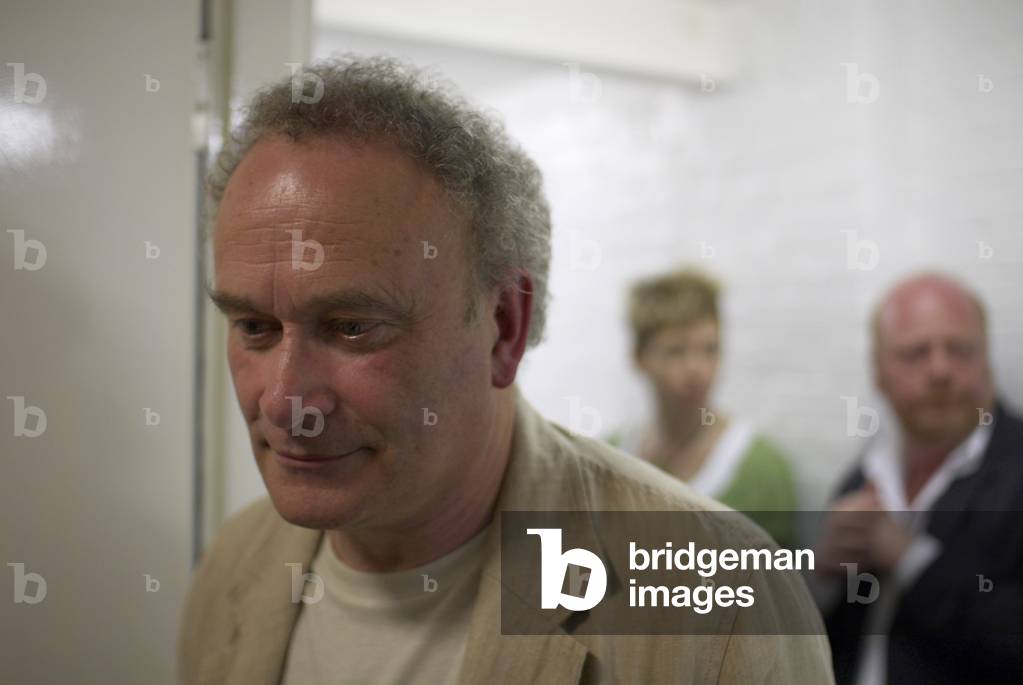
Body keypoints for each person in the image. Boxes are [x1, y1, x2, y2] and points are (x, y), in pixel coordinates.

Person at [178, 55, 833, 684]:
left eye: (351, 326)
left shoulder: (718, 605)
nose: (286, 400)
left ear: (503, 327)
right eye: (254, 327)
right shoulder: (234, 570)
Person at [815, 272, 1023, 684]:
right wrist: (819, 577)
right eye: (915, 353)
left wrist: (909, 558)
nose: (941, 370)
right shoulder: (864, 477)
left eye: (961, 350)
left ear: (987, 362)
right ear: (879, 372)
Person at [607, 268, 798, 548]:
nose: (697, 369)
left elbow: (777, 587)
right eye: (676, 351)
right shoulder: (609, 460)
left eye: (710, 349)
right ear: (639, 357)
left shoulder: (760, 470)